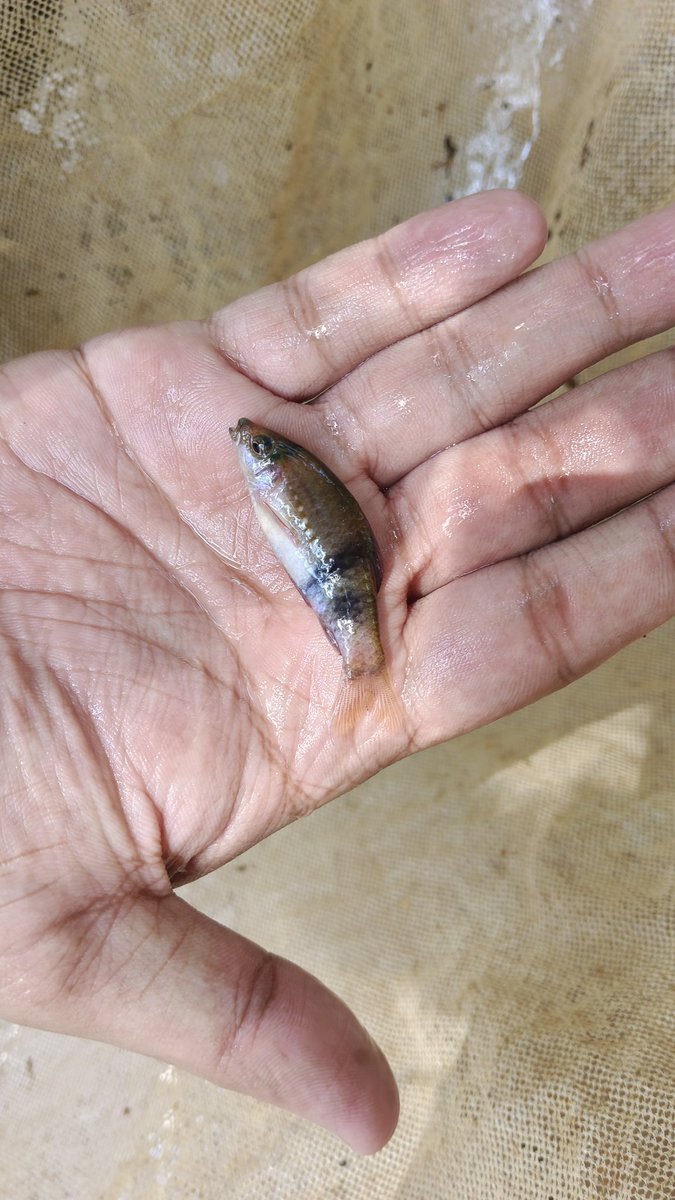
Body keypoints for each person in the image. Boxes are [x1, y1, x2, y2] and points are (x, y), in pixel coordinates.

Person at [1, 189, 674, 1155]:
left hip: (342, 577)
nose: (252, 449)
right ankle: (363, 660)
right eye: (263, 449)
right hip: (335, 577)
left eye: (259, 448)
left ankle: (363, 659)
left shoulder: (277, 474)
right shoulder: (267, 474)